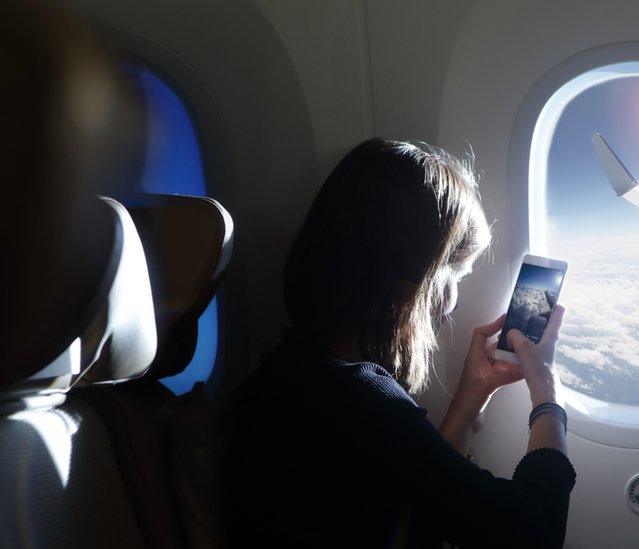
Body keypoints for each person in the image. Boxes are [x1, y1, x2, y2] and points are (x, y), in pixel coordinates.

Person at [224, 139, 576, 547]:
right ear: (417, 278)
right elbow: (535, 530)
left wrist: (467, 400)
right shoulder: (359, 401)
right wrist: (548, 396)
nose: (453, 301)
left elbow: (426, 497)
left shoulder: (298, 369)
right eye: (456, 274)